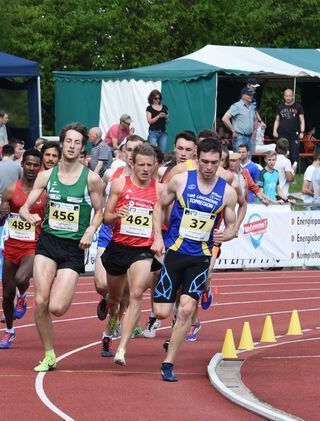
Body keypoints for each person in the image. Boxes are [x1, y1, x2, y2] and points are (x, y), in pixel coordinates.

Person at [18, 122, 104, 372]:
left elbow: (100, 212)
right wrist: (28, 215)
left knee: (56, 307)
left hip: (73, 248)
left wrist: (90, 230)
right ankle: (49, 354)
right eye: (69, 141)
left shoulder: (92, 179)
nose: (72, 146)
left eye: (78, 142)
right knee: (41, 301)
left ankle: (64, 289)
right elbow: (25, 206)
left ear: (82, 148)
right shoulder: (46, 176)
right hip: (48, 241)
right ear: (62, 143)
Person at [154, 137, 238, 381]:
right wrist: (158, 237)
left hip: (200, 257)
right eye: (204, 161)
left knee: (187, 309)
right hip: (174, 252)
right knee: (160, 312)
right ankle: (170, 323)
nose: (209, 167)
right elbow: (159, 207)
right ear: (197, 159)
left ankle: (168, 363)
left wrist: (227, 235)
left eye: (214, 162)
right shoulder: (180, 181)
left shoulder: (227, 193)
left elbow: (233, 226)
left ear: (220, 161)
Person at [101, 143, 164, 365]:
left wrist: (158, 237)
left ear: (155, 165)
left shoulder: (160, 190)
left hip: (143, 250)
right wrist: (117, 215)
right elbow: (106, 217)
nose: (146, 169)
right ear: (132, 164)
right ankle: (113, 320)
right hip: (119, 247)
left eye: (150, 165)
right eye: (141, 165)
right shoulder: (119, 184)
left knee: (137, 294)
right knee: (115, 298)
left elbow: (161, 218)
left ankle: (122, 348)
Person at [0, 148, 44, 349]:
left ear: (39, 167)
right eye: (28, 164)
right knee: (6, 294)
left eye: (35, 165)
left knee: (22, 279)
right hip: (12, 245)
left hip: (33, 245)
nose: (31, 168)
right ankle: (9, 330)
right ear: (22, 165)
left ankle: (22, 297)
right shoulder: (10, 190)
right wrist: (2, 215)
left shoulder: (44, 192)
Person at [274, 89, 305, 165]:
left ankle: (292, 172)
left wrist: (302, 132)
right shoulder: (280, 107)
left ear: (293, 96)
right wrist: (274, 130)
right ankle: (281, 170)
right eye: (286, 96)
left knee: (294, 155)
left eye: (290, 96)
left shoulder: (298, 106)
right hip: (282, 134)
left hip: (294, 134)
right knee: (280, 153)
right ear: (284, 96)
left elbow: (302, 120)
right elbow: (277, 120)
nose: (288, 97)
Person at [222, 87, 258, 153]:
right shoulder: (236, 106)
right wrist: (233, 130)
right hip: (239, 137)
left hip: (250, 137)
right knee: (238, 159)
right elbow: (225, 118)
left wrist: (253, 133)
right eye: (249, 94)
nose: (251, 96)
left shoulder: (252, 107)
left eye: (252, 94)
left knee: (248, 158)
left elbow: (254, 120)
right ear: (243, 95)